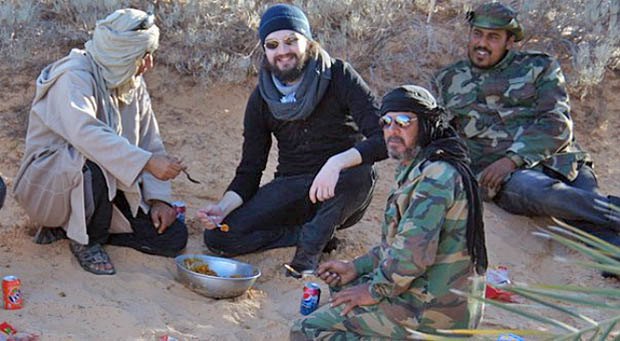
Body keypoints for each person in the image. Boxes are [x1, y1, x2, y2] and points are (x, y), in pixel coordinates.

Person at [198, 4, 387, 277]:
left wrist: (336, 163)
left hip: (342, 188)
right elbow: (250, 170)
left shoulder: (339, 76)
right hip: (293, 187)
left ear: (307, 42)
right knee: (219, 238)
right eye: (272, 45)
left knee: (361, 172)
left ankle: (306, 256)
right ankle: (311, 233)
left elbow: (383, 138)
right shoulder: (261, 99)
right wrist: (221, 209)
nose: (282, 51)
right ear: (264, 50)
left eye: (291, 41)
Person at [291, 85, 487, 339]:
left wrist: (372, 292)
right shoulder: (423, 167)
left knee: (306, 330)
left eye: (404, 121)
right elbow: (401, 245)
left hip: (433, 313)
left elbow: (411, 257)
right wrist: (355, 267)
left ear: (428, 123)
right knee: (347, 286)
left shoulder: (436, 176)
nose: (392, 130)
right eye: (386, 122)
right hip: (438, 301)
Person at [13, 9, 188, 275]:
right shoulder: (74, 75)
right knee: (94, 159)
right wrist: (147, 163)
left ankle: (76, 228)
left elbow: (149, 141)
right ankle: (85, 239)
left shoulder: (130, 80)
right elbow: (87, 134)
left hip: (108, 183)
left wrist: (158, 199)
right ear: (123, 55)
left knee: (172, 238)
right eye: (144, 56)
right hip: (52, 186)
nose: (149, 64)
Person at [434, 2, 620, 247]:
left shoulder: (540, 67)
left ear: (510, 41)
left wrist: (512, 158)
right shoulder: (448, 80)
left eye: (493, 37)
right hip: (509, 179)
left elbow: (558, 124)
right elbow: (439, 137)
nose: (482, 43)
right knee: (551, 195)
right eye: (477, 34)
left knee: (586, 210)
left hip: (561, 161)